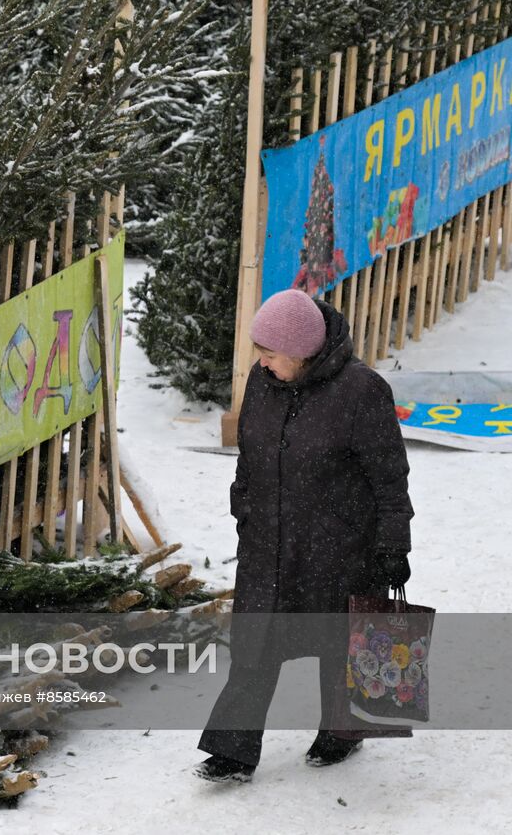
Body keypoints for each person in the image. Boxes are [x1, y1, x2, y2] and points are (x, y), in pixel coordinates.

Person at [194, 289, 415, 783]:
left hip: (338, 546)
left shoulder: (361, 391)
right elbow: (249, 455)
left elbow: (389, 476)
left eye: (271, 354)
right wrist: (243, 506)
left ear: (301, 351)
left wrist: (393, 544)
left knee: (340, 640)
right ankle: (232, 749)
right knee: (254, 643)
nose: (262, 363)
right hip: (267, 541)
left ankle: (343, 731)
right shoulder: (263, 381)